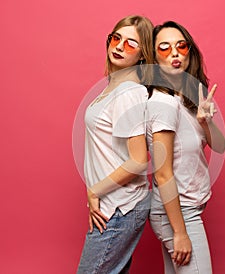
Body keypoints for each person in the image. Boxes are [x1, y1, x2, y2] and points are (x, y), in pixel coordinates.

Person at [146, 21, 225, 273]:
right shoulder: (163, 103)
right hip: (178, 212)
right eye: (164, 48)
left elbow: (220, 146)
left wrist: (206, 121)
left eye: (181, 46)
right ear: (153, 57)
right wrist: (179, 232)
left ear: (189, 52)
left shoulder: (186, 98)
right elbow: (162, 172)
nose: (174, 53)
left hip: (184, 208)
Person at [77, 15, 153, 274]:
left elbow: (139, 160)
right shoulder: (113, 86)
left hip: (120, 206)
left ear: (143, 54)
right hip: (114, 204)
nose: (119, 46)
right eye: (116, 38)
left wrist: (95, 191)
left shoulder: (129, 92)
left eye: (131, 44)